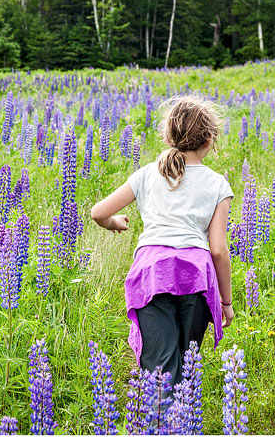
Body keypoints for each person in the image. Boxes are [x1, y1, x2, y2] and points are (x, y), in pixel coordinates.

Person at [90, 95, 234, 386]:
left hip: (152, 274)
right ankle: (180, 425)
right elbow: (218, 249)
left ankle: (159, 424)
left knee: (159, 369)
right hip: (196, 276)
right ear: (209, 140)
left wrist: (114, 223)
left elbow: (98, 212)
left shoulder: (146, 174)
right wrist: (226, 302)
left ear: (169, 137)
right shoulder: (218, 183)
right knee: (186, 361)